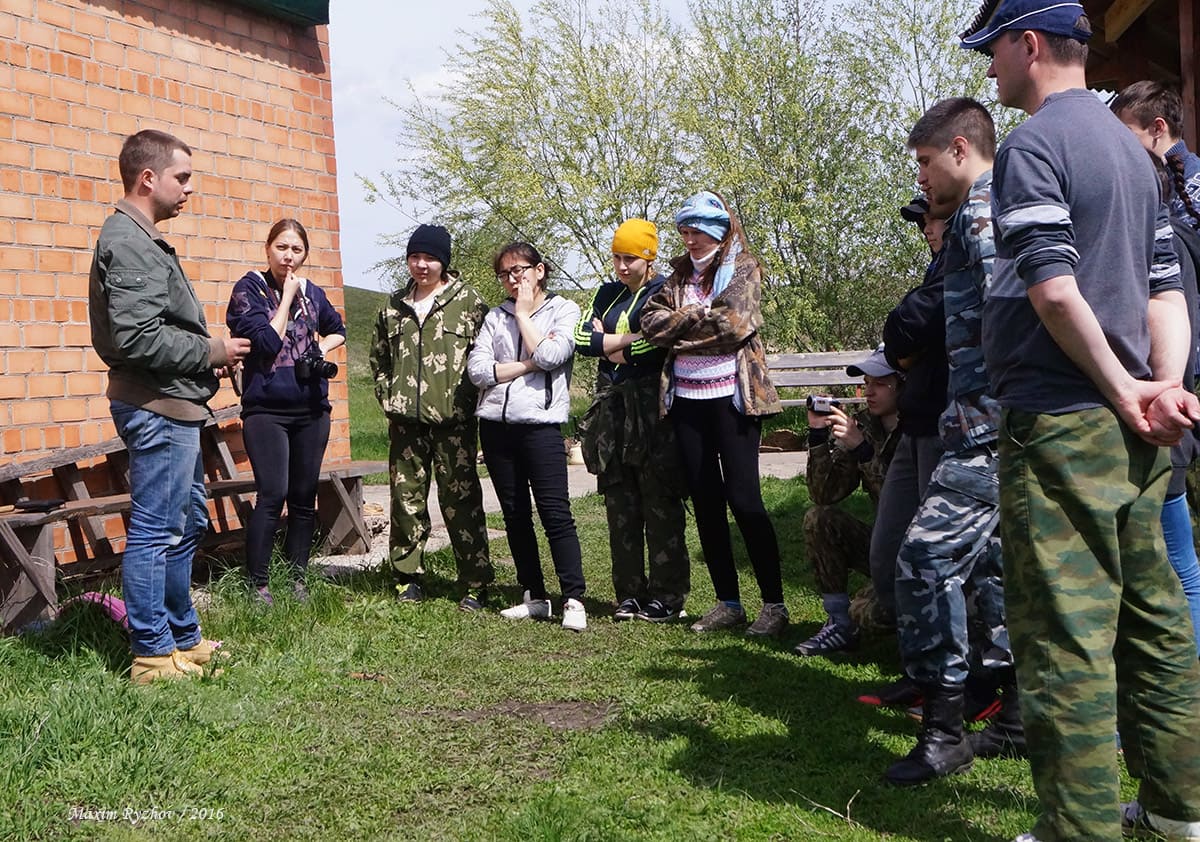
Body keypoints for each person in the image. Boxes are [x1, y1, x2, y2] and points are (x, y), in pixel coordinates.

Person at [962, 1, 1200, 837]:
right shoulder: (1133, 153)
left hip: (1066, 425)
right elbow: (1168, 289)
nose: (989, 69)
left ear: (1030, 45)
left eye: (994, 51)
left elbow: (1054, 289)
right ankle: (1179, 814)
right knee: (1154, 621)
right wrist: (1158, 388)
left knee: (1064, 641)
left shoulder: (1034, 145)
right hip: (1138, 432)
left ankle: (1080, 829)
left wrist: (1120, 388)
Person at [884, 97, 1018, 786]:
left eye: (926, 163)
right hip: (982, 421)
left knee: (924, 560)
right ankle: (1016, 717)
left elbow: (1011, 312)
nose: (922, 180)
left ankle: (944, 731)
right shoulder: (977, 209)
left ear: (961, 150)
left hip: (991, 428)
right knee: (992, 569)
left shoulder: (984, 212)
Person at [89, 129, 250, 683]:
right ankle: (153, 655)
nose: (189, 189)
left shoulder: (143, 237)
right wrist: (212, 349)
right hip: (155, 407)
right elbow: (136, 339)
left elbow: (157, 332)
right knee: (158, 529)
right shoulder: (128, 240)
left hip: (175, 404)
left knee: (185, 522)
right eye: (182, 178)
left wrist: (208, 359)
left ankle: (184, 637)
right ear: (148, 178)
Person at [641, 191, 789, 637]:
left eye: (698, 231)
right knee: (705, 501)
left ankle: (774, 605)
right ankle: (728, 602)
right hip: (686, 400)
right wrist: (695, 316)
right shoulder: (676, 276)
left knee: (745, 501)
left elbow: (735, 326)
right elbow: (650, 323)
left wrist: (681, 326)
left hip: (733, 399)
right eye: (685, 232)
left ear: (719, 231)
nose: (690, 240)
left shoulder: (743, 268)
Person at [369, 224, 494, 611]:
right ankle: (407, 577)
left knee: (462, 502)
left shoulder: (469, 302)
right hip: (406, 424)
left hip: (453, 426)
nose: (422, 265)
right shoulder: (392, 307)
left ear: (444, 261)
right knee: (406, 501)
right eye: (415, 257)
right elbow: (378, 362)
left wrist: (471, 406)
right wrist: (390, 400)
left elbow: (486, 357)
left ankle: (475, 582)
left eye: (430, 258)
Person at [574, 219, 690, 623]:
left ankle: (668, 595)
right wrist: (619, 344)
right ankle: (629, 593)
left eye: (630, 258)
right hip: (612, 410)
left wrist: (609, 344)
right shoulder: (607, 293)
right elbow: (579, 339)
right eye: (617, 257)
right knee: (619, 501)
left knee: (658, 499)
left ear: (648, 257)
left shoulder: (663, 291)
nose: (622, 267)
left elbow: (655, 345)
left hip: (652, 409)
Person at [466, 242, 587, 631]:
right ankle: (534, 595)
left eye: (520, 270)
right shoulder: (493, 317)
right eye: (505, 274)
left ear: (540, 270)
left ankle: (573, 598)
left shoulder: (564, 310)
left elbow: (552, 356)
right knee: (515, 515)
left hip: (541, 425)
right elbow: (479, 371)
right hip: (497, 427)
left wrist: (522, 313)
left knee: (555, 514)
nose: (513, 279)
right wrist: (525, 365)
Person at [226, 219, 346, 605]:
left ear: (305, 254)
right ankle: (257, 585)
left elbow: (338, 327)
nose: (289, 257)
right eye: (282, 247)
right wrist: (287, 298)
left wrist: (322, 348)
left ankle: (298, 580)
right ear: (268, 249)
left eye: (296, 250)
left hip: (311, 408)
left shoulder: (315, 294)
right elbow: (265, 341)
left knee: (302, 495)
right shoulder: (250, 289)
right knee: (272, 493)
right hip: (267, 410)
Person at [794, 345, 902, 656]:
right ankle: (838, 624)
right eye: (865, 384)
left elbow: (904, 502)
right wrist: (817, 438)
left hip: (915, 551)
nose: (869, 392)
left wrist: (864, 452)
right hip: (882, 547)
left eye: (879, 384)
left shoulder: (921, 427)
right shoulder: (864, 424)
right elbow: (824, 494)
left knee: (866, 613)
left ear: (903, 383)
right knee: (819, 518)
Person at [1110, 81, 1200, 228]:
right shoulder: (1147, 180)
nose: (1119, 142)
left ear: (1158, 128)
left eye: (1125, 133)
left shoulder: (1194, 183)